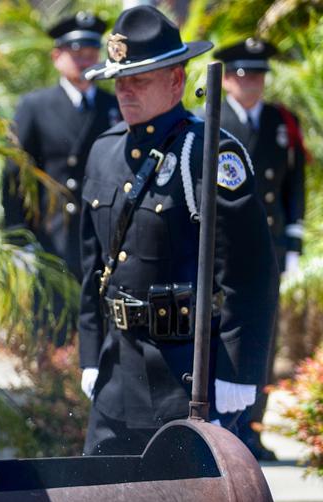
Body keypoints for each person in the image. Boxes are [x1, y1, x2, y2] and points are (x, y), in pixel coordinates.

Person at [79, 6, 279, 455]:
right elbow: (93, 270)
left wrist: (238, 373)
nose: (125, 91)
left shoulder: (207, 152)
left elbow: (249, 274)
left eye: (140, 79)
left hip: (183, 381)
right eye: (121, 79)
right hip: (115, 377)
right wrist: (90, 355)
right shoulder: (103, 151)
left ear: (176, 80)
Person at [214, 38, 307, 461]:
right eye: (242, 73)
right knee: (223, 336)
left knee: (263, 341)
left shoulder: (279, 120)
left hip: (267, 248)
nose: (252, 82)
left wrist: (292, 241)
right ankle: (224, 434)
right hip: (224, 252)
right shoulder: (211, 120)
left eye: (258, 74)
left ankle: (253, 429)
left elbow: (293, 186)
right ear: (228, 77)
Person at [3, 11, 120, 283]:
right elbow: (15, 171)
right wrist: (18, 234)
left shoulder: (114, 106)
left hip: (103, 233)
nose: (85, 59)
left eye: (91, 51)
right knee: (54, 320)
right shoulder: (34, 106)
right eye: (76, 52)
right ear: (57, 57)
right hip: (52, 235)